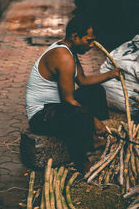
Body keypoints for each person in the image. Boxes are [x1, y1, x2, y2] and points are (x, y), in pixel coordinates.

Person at [26, 16, 120, 172]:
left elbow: (82, 80)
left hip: (55, 107)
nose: (91, 45)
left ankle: (100, 136)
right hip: (41, 117)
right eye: (88, 40)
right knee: (79, 113)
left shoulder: (70, 51)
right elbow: (69, 100)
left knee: (95, 91)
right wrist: (94, 120)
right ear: (75, 37)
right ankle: (82, 161)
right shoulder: (63, 57)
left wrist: (111, 74)